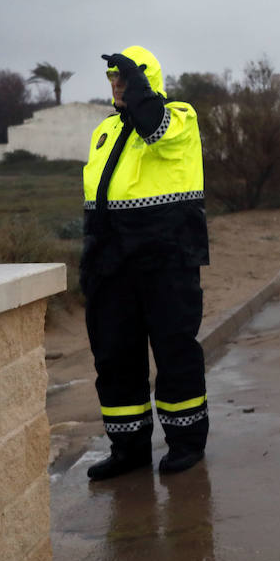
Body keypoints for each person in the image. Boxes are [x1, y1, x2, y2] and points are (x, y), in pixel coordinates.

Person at [81, 46, 210, 480]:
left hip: (167, 252)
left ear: (145, 80)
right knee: (114, 355)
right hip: (111, 258)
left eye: (126, 78)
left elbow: (155, 128)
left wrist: (140, 90)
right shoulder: (104, 130)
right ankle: (128, 448)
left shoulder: (178, 117)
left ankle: (186, 442)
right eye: (113, 78)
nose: (117, 85)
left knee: (175, 351)